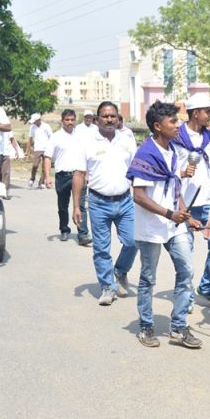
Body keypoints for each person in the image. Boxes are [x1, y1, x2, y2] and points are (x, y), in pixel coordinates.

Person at [127, 101, 203, 349]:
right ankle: (146, 326)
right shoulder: (146, 154)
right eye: (173, 121)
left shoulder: (172, 151)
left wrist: (185, 214)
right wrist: (170, 214)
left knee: (186, 271)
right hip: (151, 228)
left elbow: (174, 186)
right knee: (148, 278)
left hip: (174, 225)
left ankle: (179, 327)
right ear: (158, 126)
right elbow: (138, 196)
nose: (178, 125)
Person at [72, 101, 137, 306]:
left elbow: (137, 170)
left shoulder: (127, 140)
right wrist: (76, 206)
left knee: (132, 241)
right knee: (101, 248)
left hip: (125, 200)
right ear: (97, 119)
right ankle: (107, 287)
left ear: (118, 118)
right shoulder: (87, 142)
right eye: (105, 116)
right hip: (99, 202)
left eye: (112, 116)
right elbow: (79, 174)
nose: (109, 119)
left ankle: (119, 271)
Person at [172, 93, 210, 310]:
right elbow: (167, 168)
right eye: (207, 111)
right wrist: (181, 173)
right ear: (195, 113)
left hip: (208, 201)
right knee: (186, 253)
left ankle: (207, 286)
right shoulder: (175, 136)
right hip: (185, 203)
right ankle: (186, 295)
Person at [44, 109, 90, 244]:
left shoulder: (81, 136)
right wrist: (47, 176)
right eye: (67, 120)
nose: (70, 122)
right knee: (63, 206)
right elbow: (47, 157)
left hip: (79, 175)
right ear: (62, 121)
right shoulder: (56, 137)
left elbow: (88, 156)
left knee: (81, 206)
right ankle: (64, 229)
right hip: (62, 176)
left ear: (75, 120)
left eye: (72, 120)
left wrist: (88, 173)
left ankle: (83, 234)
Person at [26, 113, 52, 189]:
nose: (33, 122)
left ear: (39, 120)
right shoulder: (32, 127)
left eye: (35, 121)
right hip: (37, 148)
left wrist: (51, 148)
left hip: (46, 148)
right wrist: (27, 150)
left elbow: (51, 137)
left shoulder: (46, 126)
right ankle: (32, 178)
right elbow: (30, 139)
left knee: (45, 167)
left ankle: (41, 182)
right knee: (35, 165)